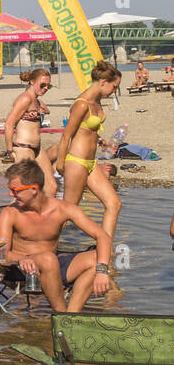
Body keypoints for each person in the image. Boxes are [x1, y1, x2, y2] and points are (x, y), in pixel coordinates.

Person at [0, 160, 112, 312]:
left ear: (33, 189)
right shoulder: (10, 213)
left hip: (53, 267)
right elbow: (0, 253)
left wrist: (102, 271)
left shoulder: (62, 209)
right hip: (19, 269)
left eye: (15, 190)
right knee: (48, 259)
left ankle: (71, 316)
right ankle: (61, 314)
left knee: (99, 257)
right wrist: (21, 258)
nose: (10, 194)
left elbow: (102, 236)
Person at [58, 62, 123, 239]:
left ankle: (105, 250)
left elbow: (88, 130)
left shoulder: (97, 101)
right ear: (103, 82)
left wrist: (102, 142)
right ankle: (44, 247)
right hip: (77, 162)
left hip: (91, 163)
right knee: (67, 213)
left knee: (114, 203)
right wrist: (60, 163)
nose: (114, 91)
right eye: (114, 87)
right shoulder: (82, 104)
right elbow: (66, 136)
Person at [3, 69, 52, 183]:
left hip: (37, 148)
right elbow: (9, 125)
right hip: (23, 148)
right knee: (27, 189)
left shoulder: (37, 101)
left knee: (51, 186)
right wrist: (9, 151)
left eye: (48, 86)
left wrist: (41, 107)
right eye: (43, 85)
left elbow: (47, 110)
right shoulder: (25, 99)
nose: (45, 88)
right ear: (32, 82)